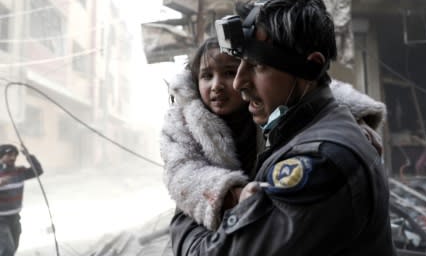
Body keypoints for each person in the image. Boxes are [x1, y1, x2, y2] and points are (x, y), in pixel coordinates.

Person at [168, 0, 401, 256]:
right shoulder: (303, 131)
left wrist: (186, 200)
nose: (239, 82)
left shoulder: (321, 163)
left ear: (310, 67)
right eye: (239, 66)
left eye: (258, 66)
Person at [161, 37, 387, 231]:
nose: (217, 85)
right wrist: (234, 195)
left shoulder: (267, 101)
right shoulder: (182, 119)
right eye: (207, 76)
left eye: (229, 73)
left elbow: (320, 90)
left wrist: (356, 119)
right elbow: (182, 171)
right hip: (220, 227)